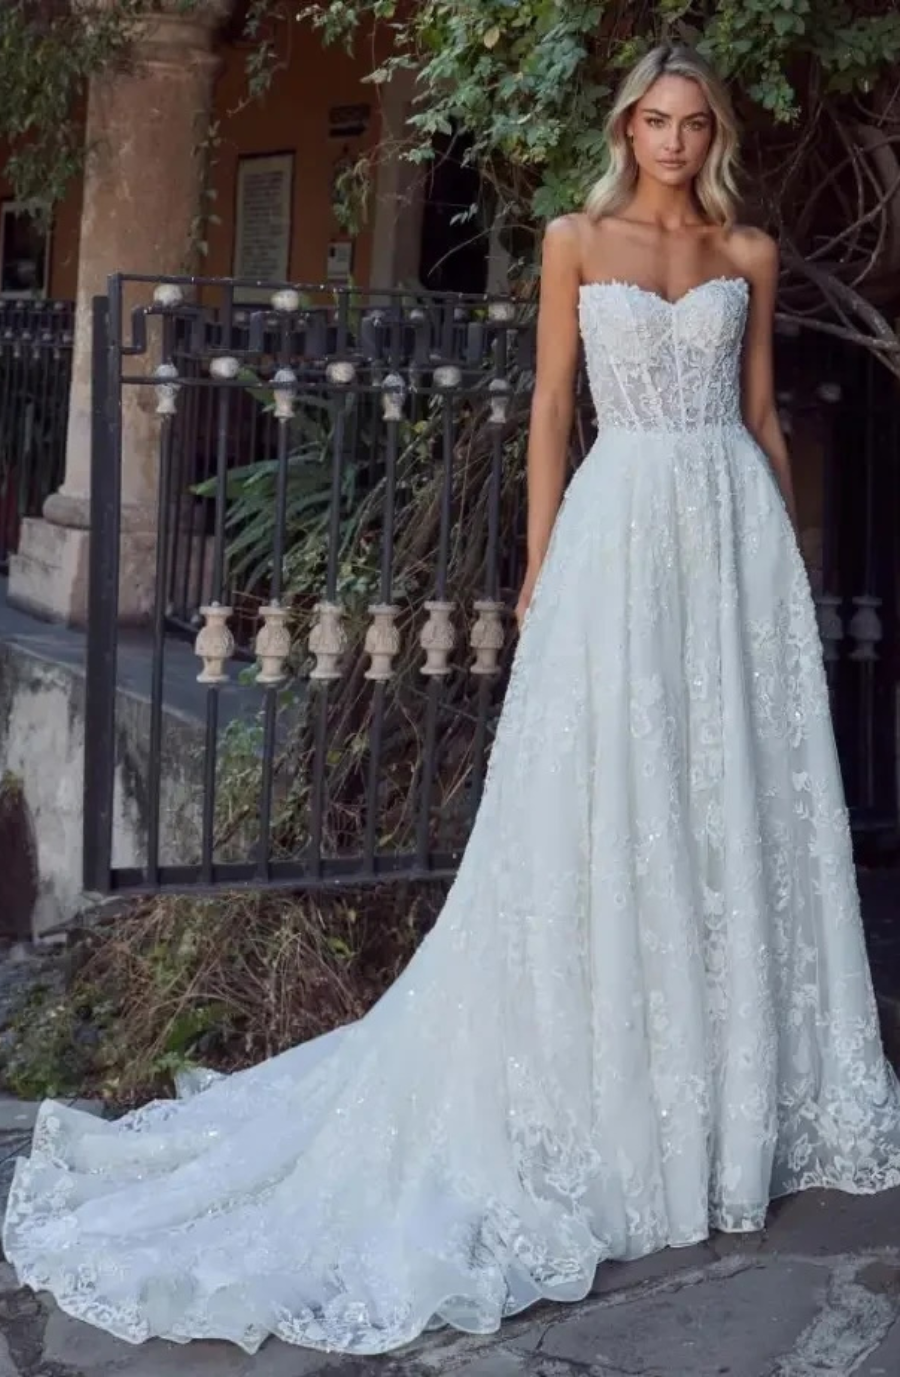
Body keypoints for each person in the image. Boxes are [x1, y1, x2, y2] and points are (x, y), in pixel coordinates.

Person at [5, 41, 900, 1359]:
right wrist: (540, 566)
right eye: (653, 121)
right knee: (617, 788)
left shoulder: (747, 256)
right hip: (620, 525)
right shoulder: (571, 240)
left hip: (731, 539)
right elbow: (549, 407)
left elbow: (762, 419)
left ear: (714, 135)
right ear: (625, 127)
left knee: (726, 798)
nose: (672, 140)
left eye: (692, 122)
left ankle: (730, 1082)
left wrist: (791, 568)